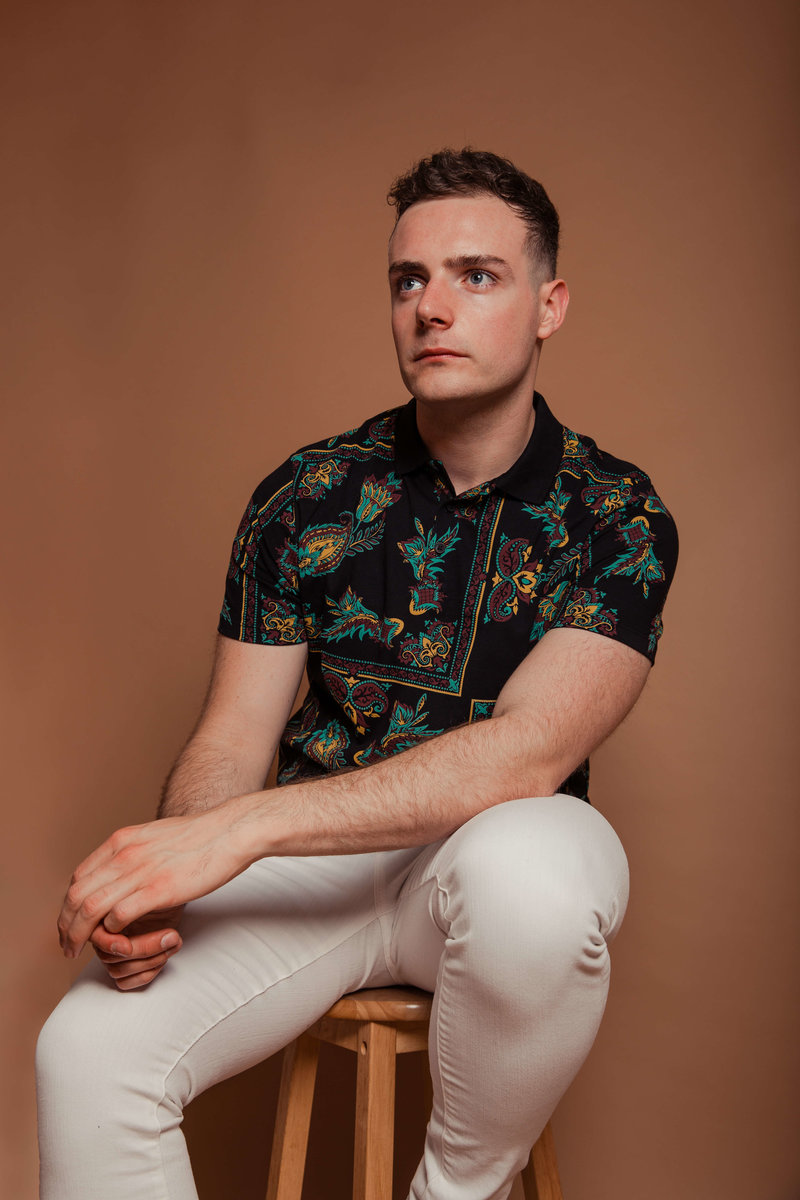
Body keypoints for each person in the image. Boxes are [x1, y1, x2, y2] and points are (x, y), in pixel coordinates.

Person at [37, 148, 678, 1200]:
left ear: (548, 305)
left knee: (541, 873)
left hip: (480, 873)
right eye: (407, 280)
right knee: (86, 1052)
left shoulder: (617, 516)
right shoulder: (306, 494)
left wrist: (237, 833)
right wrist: (175, 870)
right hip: (316, 871)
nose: (432, 308)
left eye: (475, 276)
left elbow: (532, 751)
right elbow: (233, 738)